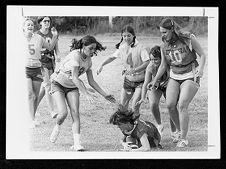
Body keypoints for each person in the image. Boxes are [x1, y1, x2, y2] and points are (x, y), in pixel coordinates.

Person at [49, 35, 116, 151]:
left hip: (72, 87)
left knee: (75, 113)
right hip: (58, 84)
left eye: (94, 49)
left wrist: (105, 95)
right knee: (63, 113)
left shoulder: (89, 61)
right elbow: (75, 78)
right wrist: (86, 93)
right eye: (90, 48)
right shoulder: (75, 56)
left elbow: (91, 81)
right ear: (83, 46)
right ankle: (57, 126)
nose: (93, 51)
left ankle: (77, 144)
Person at [149, 18, 206, 147]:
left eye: (164, 32)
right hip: (175, 75)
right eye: (161, 32)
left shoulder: (187, 38)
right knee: (170, 105)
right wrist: (154, 80)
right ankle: (180, 131)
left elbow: (202, 54)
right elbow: (163, 65)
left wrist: (201, 69)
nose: (162, 35)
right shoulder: (164, 43)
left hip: (190, 74)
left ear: (172, 30)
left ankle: (184, 139)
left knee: (182, 105)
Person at [96, 25, 150, 117]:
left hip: (140, 82)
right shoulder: (122, 47)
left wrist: (134, 70)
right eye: (124, 36)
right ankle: (126, 124)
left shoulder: (141, 47)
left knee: (134, 107)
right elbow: (112, 57)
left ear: (133, 35)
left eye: (128, 35)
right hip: (128, 81)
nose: (126, 38)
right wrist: (102, 65)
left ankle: (135, 125)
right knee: (122, 106)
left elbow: (147, 62)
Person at [136, 45, 178, 139]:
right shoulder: (150, 67)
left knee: (172, 107)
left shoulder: (167, 64)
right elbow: (146, 83)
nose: (153, 62)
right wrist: (143, 97)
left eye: (156, 59)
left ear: (161, 58)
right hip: (157, 86)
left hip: (169, 85)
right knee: (153, 104)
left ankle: (174, 132)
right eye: (151, 59)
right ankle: (159, 125)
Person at [23, 18, 58, 128]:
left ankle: (32, 117)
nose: (30, 26)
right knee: (29, 94)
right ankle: (30, 119)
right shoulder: (18, 38)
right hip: (24, 69)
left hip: (37, 69)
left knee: (35, 96)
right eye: (28, 25)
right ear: (23, 27)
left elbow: (50, 47)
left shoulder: (39, 38)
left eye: (32, 25)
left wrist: (55, 36)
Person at [36, 16, 60, 118]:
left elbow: (56, 48)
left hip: (51, 62)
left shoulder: (53, 33)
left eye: (48, 21)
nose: (47, 22)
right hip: (41, 62)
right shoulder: (37, 35)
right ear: (40, 23)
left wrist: (58, 56)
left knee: (44, 87)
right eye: (44, 21)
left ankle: (33, 106)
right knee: (47, 85)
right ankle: (52, 111)